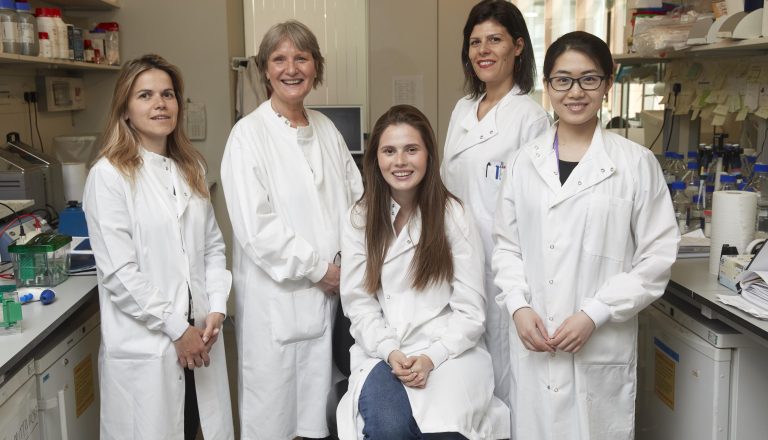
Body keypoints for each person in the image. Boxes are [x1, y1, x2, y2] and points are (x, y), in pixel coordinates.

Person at [493, 31, 680, 439]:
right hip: (535, 342)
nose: (575, 92)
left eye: (588, 79)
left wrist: (594, 313)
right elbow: (506, 247)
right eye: (563, 79)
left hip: (600, 349)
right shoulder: (525, 162)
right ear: (547, 86)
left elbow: (657, 259)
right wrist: (519, 308)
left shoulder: (635, 164)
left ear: (608, 85)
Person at [220, 20, 363, 440]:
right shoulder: (247, 136)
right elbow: (256, 228)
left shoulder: (326, 130)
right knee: (277, 418)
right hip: (279, 303)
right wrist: (320, 270)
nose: (291, 68)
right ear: (265, 69)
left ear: (316, 67)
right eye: (280, 59)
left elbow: (358, 203)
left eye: (301, 58)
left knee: (328, 411)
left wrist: (354, 263)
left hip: (337, 298)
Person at [83, 54, 234, 440]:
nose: (160, 103)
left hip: (198, 337)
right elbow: (120, 274)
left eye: (168, 94)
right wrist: (176, 328)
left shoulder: (191, 168)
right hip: (151, 344)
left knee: (192, 428)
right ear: (126, 110)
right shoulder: (109, 176)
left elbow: (212, 248)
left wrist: (216, 305)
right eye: (145, 95)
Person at [336, 105, 510, 440]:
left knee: (442, 432)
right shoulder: (360, 218)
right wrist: (390, 351)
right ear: (376, 159)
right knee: (389, 427)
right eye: (389, 151)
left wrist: (432, 356)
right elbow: (359, 304)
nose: (400, 161)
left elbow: (471, 311)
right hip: (383, 353)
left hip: (449, 353)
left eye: (411, 149)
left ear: (429, 155)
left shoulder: (453, 216)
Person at [440, 0, 549, 407]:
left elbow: (530, 209)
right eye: (475, 42)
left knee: (505, 373)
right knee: (465, 371)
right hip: (455, 259)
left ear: (518, 46)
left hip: (501, 266)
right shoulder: (463, 109)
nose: (483, 50)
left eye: (495, 40)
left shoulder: (530, 118)